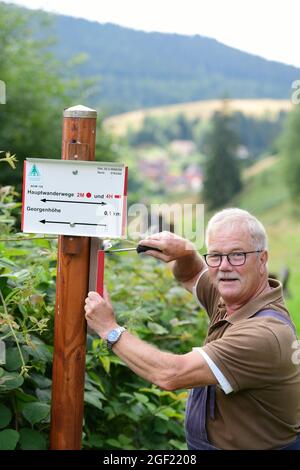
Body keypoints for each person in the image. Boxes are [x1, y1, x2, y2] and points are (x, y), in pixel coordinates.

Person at [84, 208, 300, 450]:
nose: (225, 266)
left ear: (262, 260)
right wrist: (186, 251)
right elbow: (193, 274)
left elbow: (171, 374)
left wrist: (110, 330)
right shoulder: (234, 295)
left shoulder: (265, 335)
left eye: (237, 255)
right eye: (216, 255)